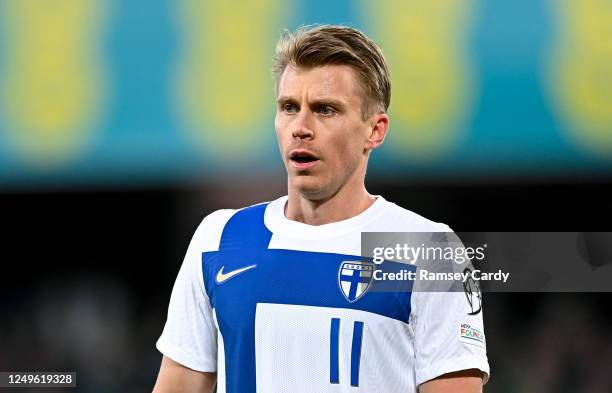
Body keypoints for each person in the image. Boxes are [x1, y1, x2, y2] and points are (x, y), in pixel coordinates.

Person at [152, 25, 489, 393]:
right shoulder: (220, 240)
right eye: (289, 107)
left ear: (374, 131)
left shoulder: (429, 251)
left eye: (325, 110)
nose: (300, 127)